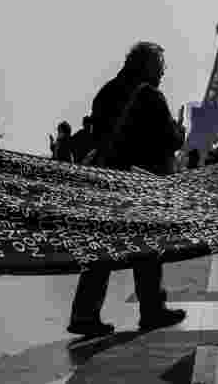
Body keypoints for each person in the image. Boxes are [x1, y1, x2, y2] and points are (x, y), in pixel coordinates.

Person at [67, 41, 187, 337]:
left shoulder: (105, 92)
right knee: (147, 250)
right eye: (160, 67)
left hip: (109, 182)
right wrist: (180, 130)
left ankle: (84, 314)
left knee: (102, 250)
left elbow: (97, 136)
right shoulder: (150, 96)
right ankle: (151, 309)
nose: (162, 73)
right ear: (148, 66)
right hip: (141, 183)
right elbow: (170, 140)